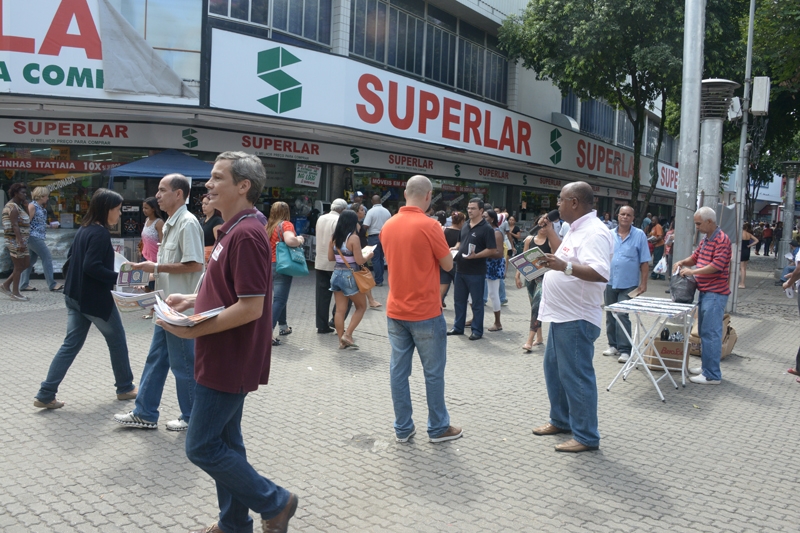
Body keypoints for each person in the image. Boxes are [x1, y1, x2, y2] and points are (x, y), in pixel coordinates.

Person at [156, 151, 298, 533]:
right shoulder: (234, 229)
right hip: (219, 354)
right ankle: (234, 523)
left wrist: (192, 329)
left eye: (218, 178)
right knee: (227, 444)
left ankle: (275, 501)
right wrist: (192, 300)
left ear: (243, 186)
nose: (208, 184)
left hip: (229, 358)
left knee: (201, 446)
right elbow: (230, 290)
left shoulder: (247, 234)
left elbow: (251, 307)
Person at [114, 174, 204, 431]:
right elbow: (169, 267)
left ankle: (192, 417)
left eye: (163, 190)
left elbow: (194, 264)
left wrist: (155, 267)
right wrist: (145, 276)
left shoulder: (187, 223)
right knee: (156, 359)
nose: (157, 195)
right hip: (165, 306)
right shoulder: (172, 223)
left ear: (179, 194)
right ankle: (145, 412)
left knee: (183, 364)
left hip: (179, 311)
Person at [33, 188, 137, 409]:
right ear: (106, 209)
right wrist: (121, 278)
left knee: (70, 345)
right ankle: (125, 387)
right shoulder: (100, 233)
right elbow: (92, 266)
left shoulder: (84, 229)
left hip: (74, 296)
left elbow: (72, 259)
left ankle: (45, 393)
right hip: (94, 300)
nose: (120, 214)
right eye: (118, 209)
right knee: (117, 341)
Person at [381, 174, 462, 444]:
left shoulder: (389, 225)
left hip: (396, 310)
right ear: (428, 196)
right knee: (433, 373)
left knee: (398, 372)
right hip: (426, 312)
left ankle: (403, 429)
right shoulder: (430, 226)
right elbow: (448, 264)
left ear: (405, 194)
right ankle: (438, 428)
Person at [532, 182, 612, 453]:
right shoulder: (575, 229)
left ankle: (586, 436)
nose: (557, 205)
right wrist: (550, 234)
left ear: (574, 202)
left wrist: (563, 267)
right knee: (554, 371)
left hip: (576, 317)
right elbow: (564, 257)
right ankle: (561, 420)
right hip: (561, 315)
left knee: (576, 376)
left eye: (560, 200)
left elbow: (600, 272)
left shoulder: (595, 232)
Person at [674, 206, 732, 385]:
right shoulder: (706, 239)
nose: (697, 227)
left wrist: (692, 272)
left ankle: (712, 374)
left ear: (709, 221)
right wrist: (683, 262)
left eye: (699, 224)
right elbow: (696, 257)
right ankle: (707, 367)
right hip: (706, 292)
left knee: (711, 334)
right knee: (705, 332)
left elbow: (716, 266)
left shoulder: (722, 240)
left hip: (715, 294)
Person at [602, 205, 650, 363]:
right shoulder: (609, 234)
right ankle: (613, 345)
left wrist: (643, 284)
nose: (625, 217)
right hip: (610, 281)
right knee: (610, 314)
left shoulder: (639, 235)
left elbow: (644, 262)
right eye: (622, 214)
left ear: (633, 218)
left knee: (622, 314)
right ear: (618, 216)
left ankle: (625, 350)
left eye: (628, 215)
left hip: (629, 284)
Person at [448, 198, 497, 341]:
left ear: (481, 211)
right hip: (460, 269)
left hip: (476, 272)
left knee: (477, 303)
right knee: (459, 301)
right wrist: (455, 248)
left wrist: (476, 256)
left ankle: (477, 330)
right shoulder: (465, 224)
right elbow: (460, 241)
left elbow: (492, 249)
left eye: (473, 208)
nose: (469, 211)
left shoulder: (486, 228)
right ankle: (458, 327)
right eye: (468, 208)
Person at [515, 214, 561, 352]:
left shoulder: (551, 241)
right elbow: (522, 258)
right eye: (541, 224)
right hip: (530, 277)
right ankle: (539, 337)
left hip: (544, 278)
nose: (543, 227)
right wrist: (517, 275)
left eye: (546, 225)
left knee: (537, 307)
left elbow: (555, 259)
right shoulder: (529, 239)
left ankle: (529, 341)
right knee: (534, 308)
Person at [328, 209, 374, 349]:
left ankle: (341, 342)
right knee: (361, 307)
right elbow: (359, 261)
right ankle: (347, 335)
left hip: (336, 274)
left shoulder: (334, 237)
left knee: (339, 310)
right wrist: (368, 255)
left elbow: (330, 258)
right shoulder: (354, 238)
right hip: (349, 275)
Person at [266, 201, 304, 345]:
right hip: (282, 265)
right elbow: (290, 240)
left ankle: (283, 327)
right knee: (280, 300)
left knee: (279, 298)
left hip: (268, 265)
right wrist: (299, 239)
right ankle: (267, 333)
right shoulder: (286, 225)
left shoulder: (267, 227)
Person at [20, 186, 63, 292]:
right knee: (47, 257)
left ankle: (23, 284)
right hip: (33, 236)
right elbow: (27, 222)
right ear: (41, 196)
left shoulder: (40, 207)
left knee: (30, 261)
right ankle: (52, 284)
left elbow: (38, 223)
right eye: (46, 196)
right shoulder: (32, 206)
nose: (48, 198)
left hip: (37, 236)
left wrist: (50, 226)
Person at [315, 199, 348, 333]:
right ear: (343, 210)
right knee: (346, 294)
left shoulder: (321, 218)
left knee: (322, 296)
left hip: (320, 261)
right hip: (335, 263)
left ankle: (321, 325)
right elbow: (340, 242)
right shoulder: (339, 220)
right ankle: (336, 320)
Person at [1, 183, 31, 301]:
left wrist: (26, 206)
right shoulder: (12, 207)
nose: (25, 194)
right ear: (15, 193)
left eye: (25, 192)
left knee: (26, 263)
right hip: (15, 240)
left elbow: (28, 219)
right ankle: (15, 293)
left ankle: (5, 285)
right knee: (18, 266)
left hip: (21, 240)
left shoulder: (19, 206)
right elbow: (15, 225)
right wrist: (20, 241)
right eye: (22, 193)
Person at [352, 203, 381, 309]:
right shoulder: (354, 224)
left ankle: (369, 299)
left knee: (363, 275)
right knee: (364, 275)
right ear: (356, 212)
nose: (364, 211)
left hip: (362, 251)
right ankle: (370, 300)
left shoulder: (358, 223)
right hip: (360, 253)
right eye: (361, 210)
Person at [483, 209, 505, 332]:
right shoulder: (486, 230)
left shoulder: (496, 233)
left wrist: (482, 253)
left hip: (494, 266)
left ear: (492, 219)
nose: (483, 218)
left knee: (493, 293)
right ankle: (475, 318)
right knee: (475, 294)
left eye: (485, 217)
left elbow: (499, 253)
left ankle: (498, 322)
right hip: (483, 265)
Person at [362, 194, 391, 287]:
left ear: (372, 202)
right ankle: (380, 278)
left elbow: (366, 225)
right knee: (381, 258)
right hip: (385, 236)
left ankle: (378, 280)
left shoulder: (371, 211)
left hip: (373, 237)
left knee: (375, 259)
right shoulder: (387, 211)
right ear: (380, 201)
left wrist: (361, 234)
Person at [440, 211, 464, 307]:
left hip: (445, 260)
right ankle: (459, 306)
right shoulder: (462, 233)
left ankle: (438, 303)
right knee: (459, 287)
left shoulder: (444, 231)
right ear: (461, 221)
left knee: (443, 283)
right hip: (457, 262)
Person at [201, 194, 223, 264]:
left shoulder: (217, 221)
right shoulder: (202, 220)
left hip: (209, 256)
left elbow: (219, 242)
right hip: (201, 255)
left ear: (214, 205)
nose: (203, 206)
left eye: (206, 204)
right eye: (202, 204)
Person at [739, 223, 758, 289]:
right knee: (744, 268)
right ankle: (742, 282)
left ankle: (742, 283)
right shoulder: (749, 234)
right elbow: (757, 240)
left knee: (741, 268)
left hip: (741, 250)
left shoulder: (740, 234)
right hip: (747, 250)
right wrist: (749, 245)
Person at [648, 215, 665, 280]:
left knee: (656, 260)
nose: (652, 222)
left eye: (653, 220)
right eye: (652, 220)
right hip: (655, 245)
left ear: (657, 221)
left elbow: (660, 236)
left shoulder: (658, 226)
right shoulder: (654, 227)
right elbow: (651, 234)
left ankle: (654, 275)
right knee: (657, 260)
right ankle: (660, 275)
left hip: (659, 245)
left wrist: (654, 240)